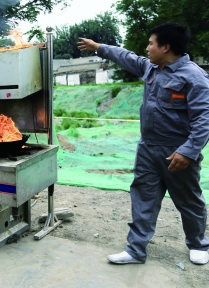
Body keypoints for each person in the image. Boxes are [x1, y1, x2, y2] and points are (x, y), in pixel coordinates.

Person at [77, 23, 209, 265]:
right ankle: (136, 250)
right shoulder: (151, 68)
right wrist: (98, 47)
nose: (147, 48)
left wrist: (188, 152)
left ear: (166, 47)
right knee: (143, 198)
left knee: (188, 200)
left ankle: (199, 243)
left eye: (151, 43)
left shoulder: (194, 77)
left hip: (177, 152)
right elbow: (126, 56)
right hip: (148, 148)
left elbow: (204, 119)